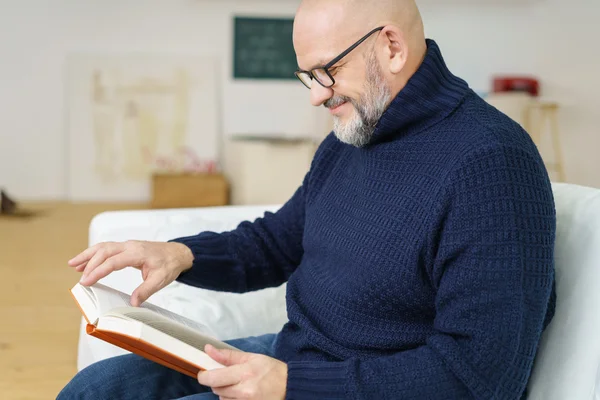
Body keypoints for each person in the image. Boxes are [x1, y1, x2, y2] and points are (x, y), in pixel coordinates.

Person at [58, 0, 557, 398]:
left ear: (391, 47)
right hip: (296, 361)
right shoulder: (354, 135)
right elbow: (280, 242)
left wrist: (291, 386)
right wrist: (181, 254)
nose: (317, 96)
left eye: (327, 72)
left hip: (338, 384)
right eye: (308, 76)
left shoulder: (492, 164)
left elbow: (479, 379)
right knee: (98, 388)